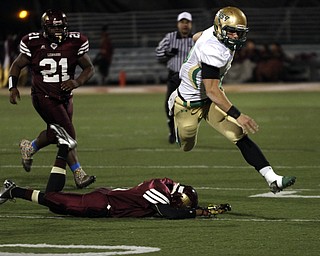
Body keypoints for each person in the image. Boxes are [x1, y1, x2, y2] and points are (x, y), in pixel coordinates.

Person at [168, 7, 296, 194]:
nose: (236, 36)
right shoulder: (213, 49)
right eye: (232, 32)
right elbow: (211, 90)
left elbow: (196, 36)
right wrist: (239, 114)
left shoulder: (214, 32)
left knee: (238, 133)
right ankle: (174, 101)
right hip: (188, 104)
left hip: (209, 102)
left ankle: (273, 178)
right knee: (187, 144)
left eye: (239, 32)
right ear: (220, 28)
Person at [0, 124, 231, 219]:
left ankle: (61, 151)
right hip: (103, 203)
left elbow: (168, 208)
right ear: (178, 197)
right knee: (57, 202)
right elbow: (166, 211)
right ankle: (15, 189)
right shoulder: (159, 189)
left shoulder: (163, 186)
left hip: (106, 202)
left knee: (54, 200)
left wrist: (200, 209)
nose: (180, 206)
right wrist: (197, 213)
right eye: (182, 203)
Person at [8, 9, 96, 189]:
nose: (58, 31)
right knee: (68, 135)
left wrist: (77, 81)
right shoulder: (33, 42)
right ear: (45, 28)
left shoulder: (74, 42)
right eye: (53, 27)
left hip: (65, 97)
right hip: (43, 96)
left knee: (55, 133)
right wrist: (12, 87)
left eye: (61, 27)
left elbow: (89, 68)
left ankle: (29, 147)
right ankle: (79, 173)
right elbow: (17, 65)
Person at [156, 12, 194, 144]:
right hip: (174, 75)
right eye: (182, 22)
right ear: (178, 24)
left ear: (191, 24)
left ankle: (186, 131)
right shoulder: (170, 37)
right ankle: (172, 131)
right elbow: (158, 52)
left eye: (187, 22)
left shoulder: (195, 39)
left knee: (189, 106)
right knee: (170, 105)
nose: (185, 25)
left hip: (190, 78)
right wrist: (168, 53)